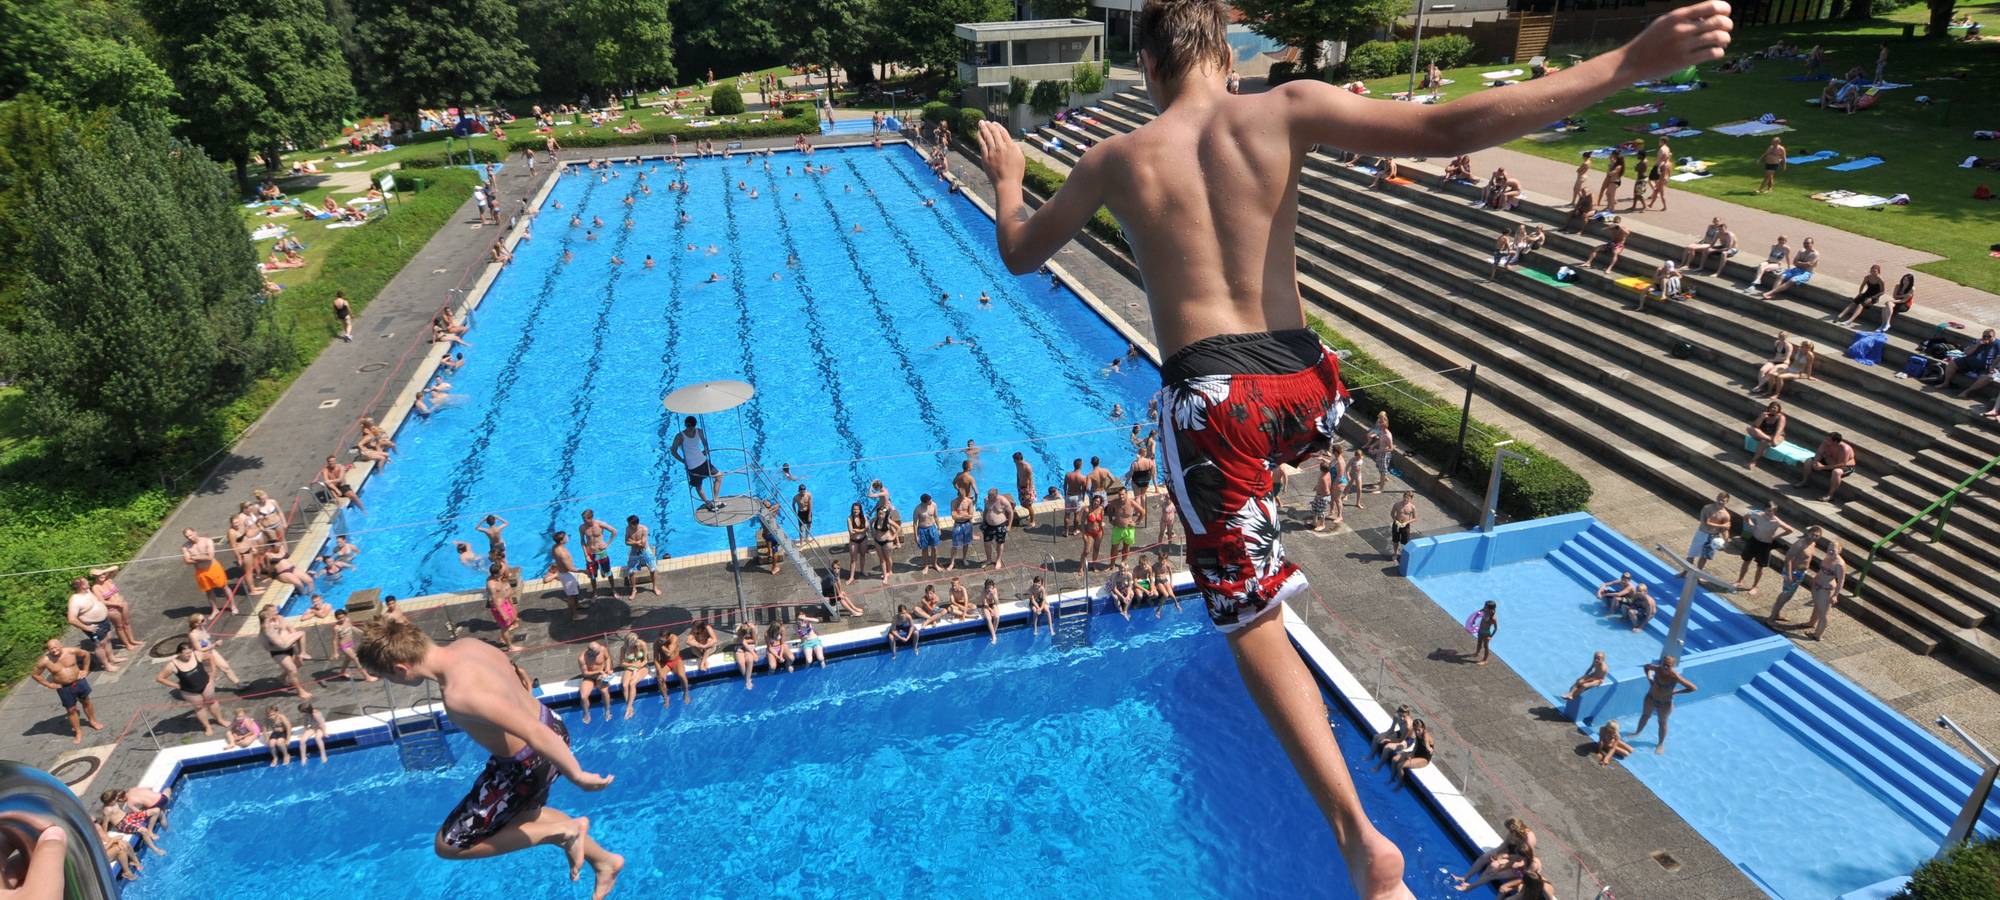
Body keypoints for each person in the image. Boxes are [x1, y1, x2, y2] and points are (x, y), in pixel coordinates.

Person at [975, 2, 1733, 889]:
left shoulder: (1115, 159)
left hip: (1217, 397)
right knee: (1263, 474)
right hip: (1307, 385)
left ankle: (1361, 844)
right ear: (1223, 55)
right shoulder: (1285, 106)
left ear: (1145, 68)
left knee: (1248, 616)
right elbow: (1447, 125)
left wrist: (1008, 177)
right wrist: (1629, 63)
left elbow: (1023, 255)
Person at [356, 618, 622, 898]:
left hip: (528, 760)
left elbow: (532, 732)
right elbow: (517, 677)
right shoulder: (469, 645)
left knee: (449, 845)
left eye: (389, 677)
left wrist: (577, 775)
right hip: (553, 726)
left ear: (401, 668)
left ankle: (565, 832)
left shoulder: (459, 693)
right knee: (528, 818)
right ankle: (605, 861)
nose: (392, 682)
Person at [32, 639, 103, 744]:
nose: (54, 650)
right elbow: (35, 674)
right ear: (48, 650)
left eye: (56, 647)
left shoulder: (71, 651)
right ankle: (78, 732)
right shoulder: (45, 661)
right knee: (71, 710)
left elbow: (86, 654)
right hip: (64, 687)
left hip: (79, 682)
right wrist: (49, 685)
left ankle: (92, 721)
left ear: (61, 645)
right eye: (51, 648)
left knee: (86, 701)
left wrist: (85, 670)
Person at [156, 640, 225, 735]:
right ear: (179, 653)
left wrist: (213, 672)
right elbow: (160, 678)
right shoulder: (172, 665)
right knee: (199, 707)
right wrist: (176, 685)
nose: (189, 655)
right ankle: (207, 727)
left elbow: (210, 656)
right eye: (187, 653)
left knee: (212, 702)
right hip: (190, 691)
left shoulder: (196, 654)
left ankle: (220, 720)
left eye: (190, 652)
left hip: (206, 684)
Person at [1632, 655, 1697, 753]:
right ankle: (1637, 732)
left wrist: (1676, 692)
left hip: (1665, 703)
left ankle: (1660, 743)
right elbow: (1646, 667)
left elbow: (1693, 688)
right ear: (1661, 663)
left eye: (1669, 666)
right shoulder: (1657, 669)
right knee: (1645, 716)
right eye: (1664, 664)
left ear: (1673, 666)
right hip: (1651, 698)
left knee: (1662, 723)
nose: (1666, 667)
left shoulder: (1675, 677)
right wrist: (1649, 678)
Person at [65, 578, 123, 673]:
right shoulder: (75, 600)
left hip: (104, 621)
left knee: (108, 639)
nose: (89, 582)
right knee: (100, 645)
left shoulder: (88, 591)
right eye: (86, 581)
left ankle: (112, 658)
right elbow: (71, 619)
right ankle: (106, 665)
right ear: (82, 586)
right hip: (93, 626)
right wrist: (86, 627)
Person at [1734, 502, 1795, 590]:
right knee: (1746, 561)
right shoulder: (1758, 515)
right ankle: (1740, 580)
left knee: (1760, 567)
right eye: (1767, 510)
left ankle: (1754, 586)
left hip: (1765, 545)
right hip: (1754, 541)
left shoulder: (1776, 521)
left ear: (1774, 512)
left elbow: (1790, 530)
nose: (1769, 513)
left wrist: (1776, 536)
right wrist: (1751, 525)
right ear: (1764, 509)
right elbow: (1746, 516)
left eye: (1771, 511)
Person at [1769, 527, 1822, 623]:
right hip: (1793, 572)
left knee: (1788, 595)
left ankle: (1776, 614)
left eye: (1816, 536)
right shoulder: (1800, 544)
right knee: (1785, 594)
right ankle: (1771, 619)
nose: (1813, 537)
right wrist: (1789, 576)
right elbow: (1788, 559)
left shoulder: (1813, 544)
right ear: (1808, 533)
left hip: (1800, 573)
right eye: (1812, 534)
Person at [258, 606, 314, 699]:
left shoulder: (280, 618)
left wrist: (296, 642)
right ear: (267, 614)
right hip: (279, 652)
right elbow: (271, 640)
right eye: (273, 611)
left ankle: (282, 677)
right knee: (292, 670)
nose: (276, 611)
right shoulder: (265, 627)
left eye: (276, 610)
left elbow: (290, 628)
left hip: (290, 646)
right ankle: (300, 691)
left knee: (298, 664)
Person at [181, 527, 237, 617]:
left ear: (195, 532)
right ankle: (214, 609)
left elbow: (210, 557)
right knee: (208, 591)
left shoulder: (207, 541)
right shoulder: (185, 546)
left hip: (213, 568)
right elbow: (187, 561)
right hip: (200, 571)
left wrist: (195, 557)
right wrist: (202, 557)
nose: (190, 538)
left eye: (191, 535)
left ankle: (233, 606)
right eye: (187, 537)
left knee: (224, 587)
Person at [669, 416, 722, 509]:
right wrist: (683, 460)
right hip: (693, 465)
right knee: (699, 486)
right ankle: (708, 503)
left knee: (719, 476)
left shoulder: (698, 431)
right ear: (685, 425)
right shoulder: (680, 436)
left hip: (702, 461)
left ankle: (716, 500)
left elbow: (705, 443)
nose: (690, 429)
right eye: (688, 426)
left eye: (691, 426)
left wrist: (705, 451)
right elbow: (673, 451)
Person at [1805, 538, 1845, 641]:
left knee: (1824, 614)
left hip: (1826, 589)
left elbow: (1841, 581)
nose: (1830, 551)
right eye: (1829, 549)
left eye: (1833, 550)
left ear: (1839, 550)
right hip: (1817, 585)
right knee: (1817, 606)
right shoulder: (1827, 557)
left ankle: (1818, 635)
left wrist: (1835, 595)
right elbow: (1821, 571)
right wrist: (1815, 579)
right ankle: (1811, 623)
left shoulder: (1839, 564)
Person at [1797, 432, 1856, 501]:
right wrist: (1815, 462)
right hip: (1829, 460)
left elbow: (1841, 464)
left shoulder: (1844, 449)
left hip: (1845, 465)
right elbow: (1819, 453)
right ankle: (1804, 481)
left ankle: (1830, 495)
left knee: (1836, 472)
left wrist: (1822, 467)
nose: (1826, 441)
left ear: (1835, 442)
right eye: (1826, 439)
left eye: (1828, 440)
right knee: (1809, 461)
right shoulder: (1825, 443)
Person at [1760, 236, 1818, 300]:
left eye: (1808, 243)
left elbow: (1809, 265)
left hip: (1806, 272)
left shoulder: (1815, 254)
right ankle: (1772, 294)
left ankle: (1769, 293)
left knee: (1792, 280)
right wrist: (1804, 263)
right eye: (1805, 243)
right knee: (1781, 276)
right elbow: (1795, 262)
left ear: (1812, 244)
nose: (1806, 245)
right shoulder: (1801, 251)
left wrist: (1800, 263)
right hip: (1796, 269)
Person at [1686, 492, 1732, 571]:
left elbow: (1725, 530)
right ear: (1716, 498)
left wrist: (1726, 541)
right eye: (1719, 499)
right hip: (1701, 533)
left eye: (1723, 501)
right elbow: (1706, 523)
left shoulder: (1726, 515)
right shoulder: (1707, 508)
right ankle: (1685, 571)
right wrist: (1722, 525)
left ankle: (1698, 575)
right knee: (1691, 554)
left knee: (1704, 557)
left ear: (1726, 502)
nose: (1720, 502)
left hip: (1713, 537)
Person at [547, 531, 585, 620]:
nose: (568, 537)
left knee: (576, 591)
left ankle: (578, 605)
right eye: (566, 536)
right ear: (562, 540)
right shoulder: (563, 553)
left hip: (564, 573)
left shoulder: (555, 547)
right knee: (571, 596)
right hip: (567, 575)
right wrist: (584, 571)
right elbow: (571, 568)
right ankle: (575, 615)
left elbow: (555, 558)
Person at [622, 515, 658, 600]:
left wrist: (632, 541)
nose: (628, 525)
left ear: (635, 524)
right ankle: (634, 589)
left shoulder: (644, 529)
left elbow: (642, 544)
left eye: (630, 524)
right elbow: (626, 542)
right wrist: (636, 542)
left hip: (645, 550)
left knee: (653, 569)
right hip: (634, 551)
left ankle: (654, 587)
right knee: (631, 572)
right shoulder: (628, 528)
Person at [576, 640, 613, 720]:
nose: (599, 653)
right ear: (590, 651)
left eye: (599, 651)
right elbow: (585, 673)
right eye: (597, 652)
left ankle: (607, 710)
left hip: (601, 675)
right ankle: (586, 712)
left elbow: (607, 658)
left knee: (604, 691)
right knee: (583, 696)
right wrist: (598, 671)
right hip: (589, 677)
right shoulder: (582, 658)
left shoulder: (602, 649)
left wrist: (607, 669)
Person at [617, 632, 651, 719]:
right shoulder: (624, 648)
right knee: (624, 685)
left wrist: (639, 666)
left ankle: (628, 708)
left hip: (642, 667)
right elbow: (622, 663)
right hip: (630, 666)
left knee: (632, 684)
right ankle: (630, 707)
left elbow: (646, 660)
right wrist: (632, 666)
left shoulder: (642, 644)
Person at [1744, 401, 1787, 470]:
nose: (1773, 409)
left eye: (1775, 408)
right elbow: (1755, 426)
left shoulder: (1781, 417)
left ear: (1778, 409)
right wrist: (1762, 418)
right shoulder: (1764, 415)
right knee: (1749, 428)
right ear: (1768, 408)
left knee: (1763, 442)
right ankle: (1768, 439)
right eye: (1771, 408)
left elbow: (1779, 430)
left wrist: (1774, 439)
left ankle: (1753, 461)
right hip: (1764, 435)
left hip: (1777, 436)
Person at [981, 487, 1015, 568]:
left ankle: (998, 560)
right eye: (988, 496)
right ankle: (989, 559)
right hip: (988, 525)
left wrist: (1009, 525)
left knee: (999, 544)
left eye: (990, 497)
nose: (988, 498)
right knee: (987, 543)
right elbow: (986, 510)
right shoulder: (986, 500)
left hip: (1000, 525)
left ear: (996, 496)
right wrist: (983, 521)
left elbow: (1010, 512)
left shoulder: (1003, 501)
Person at [1077, 493, 1107, 572]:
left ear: (1100, 503)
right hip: (1089, 533)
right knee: (1087, 551)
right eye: (1095, 501)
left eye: (1098, 502)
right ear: (1092, 501)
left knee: (1096, 549)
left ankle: (1094, 565)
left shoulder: (1101, 509)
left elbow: (1101, 520)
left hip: (1099, 532)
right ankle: (1080, 567)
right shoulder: (1087, 510)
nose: (1096, 502)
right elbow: (1082, 522)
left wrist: (1101, 524)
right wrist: (1083, 534)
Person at [1390, 491, 1418, 561]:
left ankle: (1403, 554)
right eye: (1405, 497)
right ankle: (1395, 553)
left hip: (1405, 526)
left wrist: (1406, 523)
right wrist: (1395, 521)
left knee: (1405, 542)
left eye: (1407, 498)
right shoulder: (1397, 504)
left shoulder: (1412, 507)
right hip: (1397, 524)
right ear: (1403, 497)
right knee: (1395, 540)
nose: (1405, 499)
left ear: (1411, 499)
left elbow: (1415, 518)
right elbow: (1392, 514)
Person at [1471, 600, 1498, 665]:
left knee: (1485, 646)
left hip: (1486, 633)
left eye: (1485, 607)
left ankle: (1485, 660)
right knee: (1479, 643)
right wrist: (1474, 619)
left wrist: (1490, 636)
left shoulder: (1493, 618)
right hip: (1480, 630)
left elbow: (1495, 628)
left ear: (1490, 609)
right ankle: (1477, 653)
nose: (1484, 608)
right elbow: (1478, 613)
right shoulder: (1485, 610)